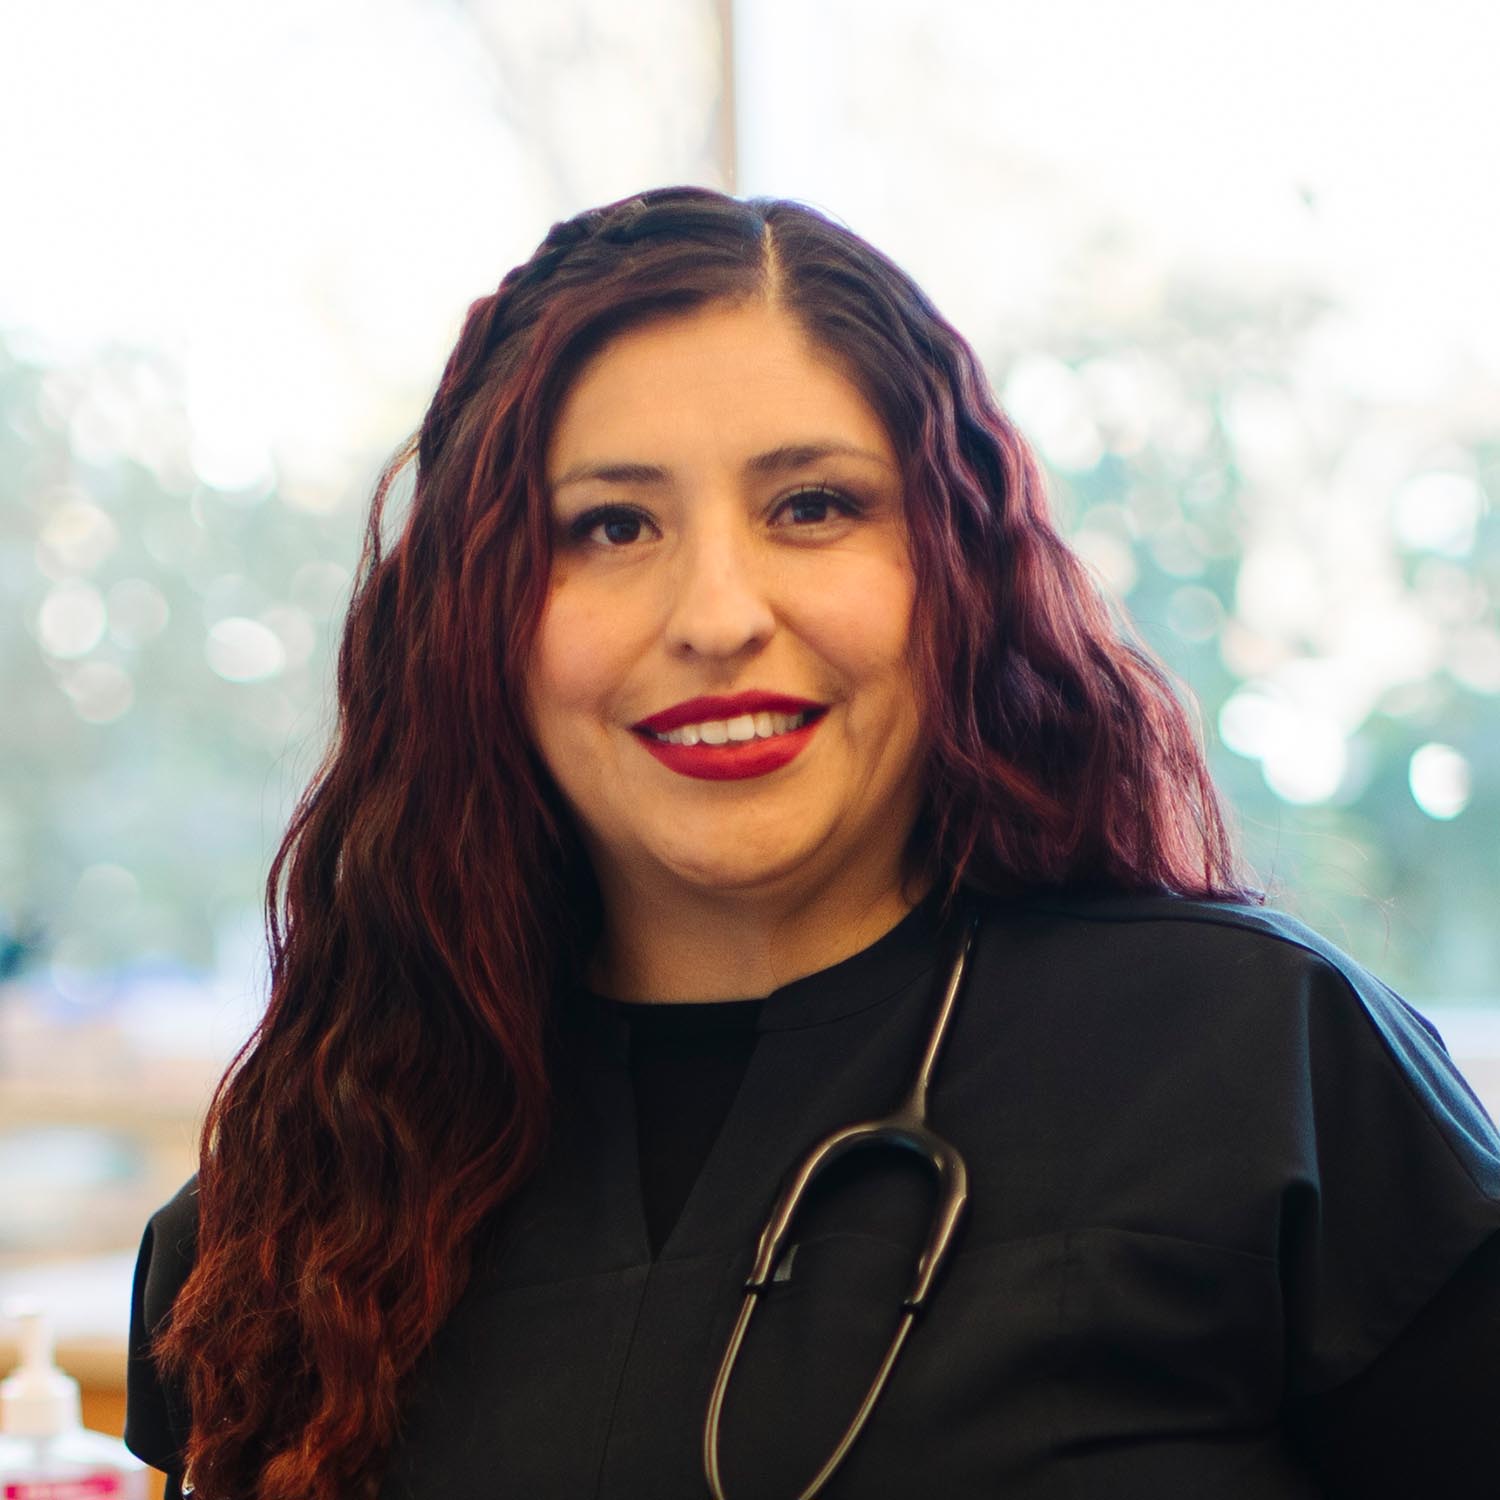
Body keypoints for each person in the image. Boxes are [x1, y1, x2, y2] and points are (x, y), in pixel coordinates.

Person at [125, 187, 1500, 1500]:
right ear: (478, 621)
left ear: (953, 567)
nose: (717, 613)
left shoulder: (1263, 1067)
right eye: (610, 526)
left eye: (813, 506)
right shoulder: (290, 1215)